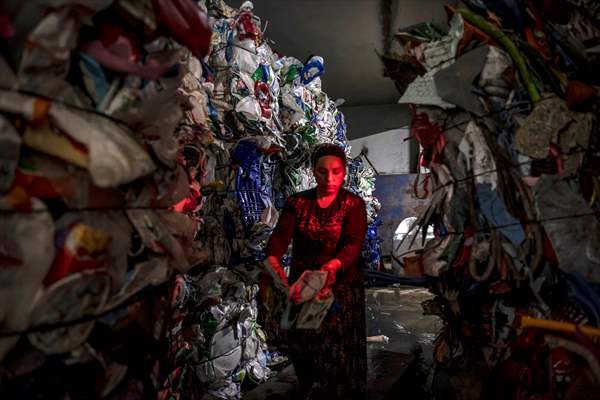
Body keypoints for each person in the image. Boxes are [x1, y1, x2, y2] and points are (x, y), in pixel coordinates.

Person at [264, 143, 368, 399]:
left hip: (339, 287)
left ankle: (337, 391)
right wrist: (273, 260)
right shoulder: (297, 203)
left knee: (334, 347)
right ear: (313, 172)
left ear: (344, 172)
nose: (329, 178)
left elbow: (353, 244)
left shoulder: (353, 204)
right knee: (303, 342)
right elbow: (280, 236)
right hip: (303, 284)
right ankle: (310, 385)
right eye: (322, 172)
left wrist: (330, 268)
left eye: (336, 171)